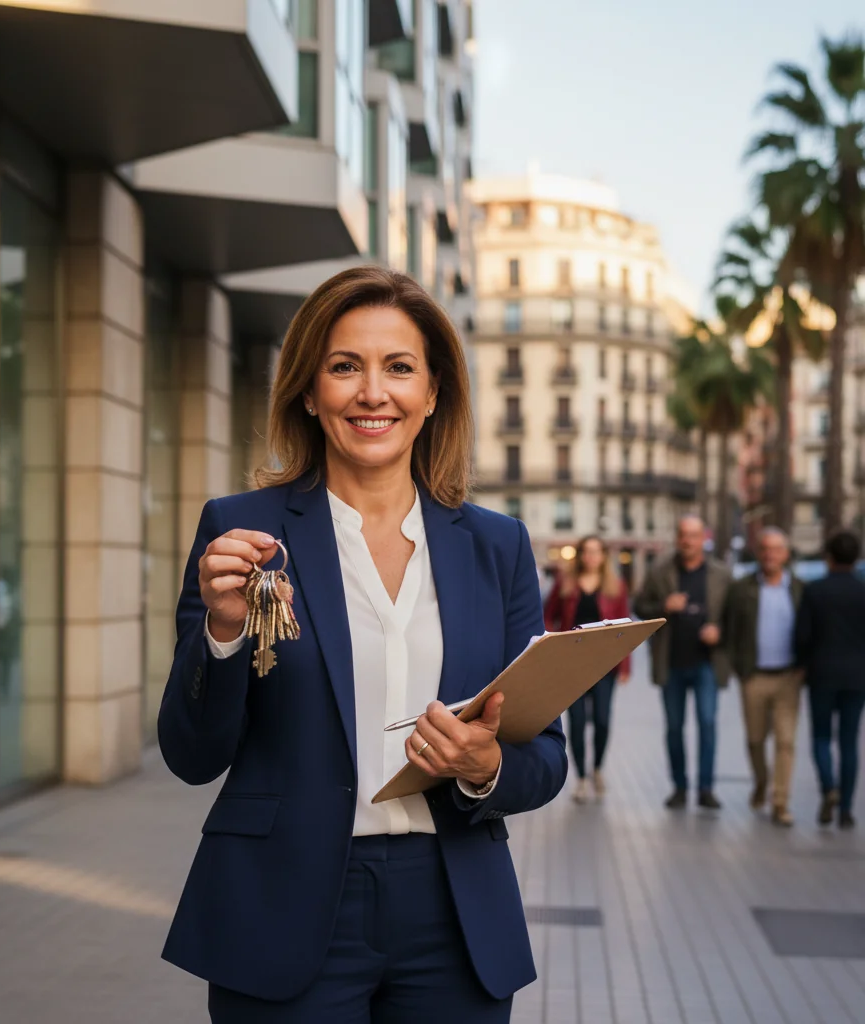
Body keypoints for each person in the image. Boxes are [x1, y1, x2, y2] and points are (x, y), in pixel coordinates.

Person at [158, 267, 568, 1022]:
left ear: (434, 392)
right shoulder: (241, 530)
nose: (372, 392)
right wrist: (219, 633)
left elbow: (547, 758)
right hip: (284, 905)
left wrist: (486, 768)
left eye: (399, 368)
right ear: (309, 393)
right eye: (345, 367)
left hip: (454, 911)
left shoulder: (497, 547)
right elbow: (191, 754)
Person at [633, 515, 731, 811]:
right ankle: (679, 786)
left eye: (693, 535)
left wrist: (720, 631)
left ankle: (705, 788)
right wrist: (664, 606)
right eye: (683, 535)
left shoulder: (721, 574)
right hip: (671, 662)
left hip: (707, 663)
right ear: (677, 538)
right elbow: (640, 607)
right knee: (674, 728)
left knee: (708, 723)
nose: (687, 541)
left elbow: (734, 615)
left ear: (703, 538)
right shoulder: (661, 570)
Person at [721, 528, 804, 826]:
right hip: (753, 676)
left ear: (785, 554)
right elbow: (728, 628)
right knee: (756, 740)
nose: (770, 555)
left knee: (786, 742)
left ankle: (780, 802)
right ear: (758, 553)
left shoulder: (798, 588)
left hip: (788, 677)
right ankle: (761, 781)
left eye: (776, 549)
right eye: (765, 549)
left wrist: (804, 666)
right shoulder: (742, 588)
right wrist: (737, 669)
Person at [543, 536, 631, 802]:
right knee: (578, 723)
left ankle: (598, 768)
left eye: (596, 552)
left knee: (603, 720)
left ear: (604, 556)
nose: (591, 557)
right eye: (586, 552)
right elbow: (548, 614)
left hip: (606, 665)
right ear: (580, 555)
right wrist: (554, 642)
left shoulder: (616, 586)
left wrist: (625, 665)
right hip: (573, 665)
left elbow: (625, 628)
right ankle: (581, 778)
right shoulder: (566, 584)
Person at [794, 530, 865, 830]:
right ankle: (846, 809)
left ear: (829, 557)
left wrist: (802, 664)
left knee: (821, 737)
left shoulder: (814, 590)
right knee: (849, 742)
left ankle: (828, 788)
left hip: (821, 674)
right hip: (857, 677)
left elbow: (802, 636)